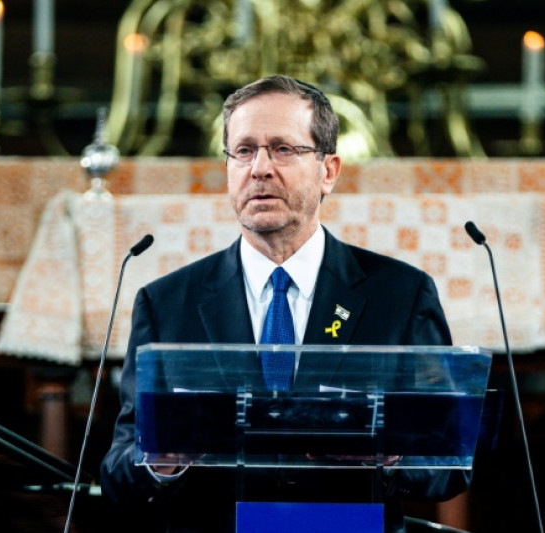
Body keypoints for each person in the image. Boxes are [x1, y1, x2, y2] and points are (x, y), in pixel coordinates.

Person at [100, 75, 469, 532]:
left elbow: (450, 464)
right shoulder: (166, 302)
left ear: (328, 171)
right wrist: (163, 460)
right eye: (244, 150)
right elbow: (117, 475)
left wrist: (388, 455)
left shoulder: (401, 294)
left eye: (283, 149)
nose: (259, 168)